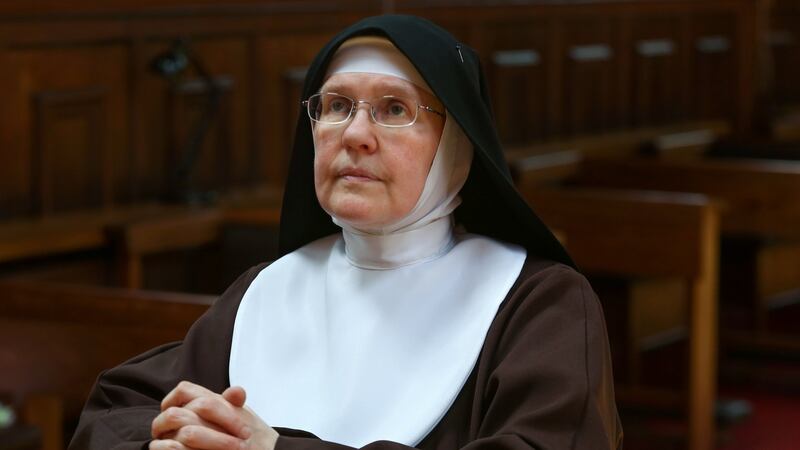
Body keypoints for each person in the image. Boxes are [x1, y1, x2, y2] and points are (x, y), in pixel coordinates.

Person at [69, 14, 622, 450]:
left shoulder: (539, 306)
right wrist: (173, 440)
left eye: (393, 108)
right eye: (336, 106)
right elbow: (115, 412)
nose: (355, 133)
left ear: (457, 145)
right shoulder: (270, 289)